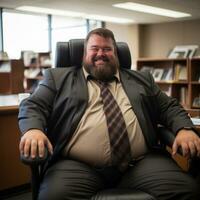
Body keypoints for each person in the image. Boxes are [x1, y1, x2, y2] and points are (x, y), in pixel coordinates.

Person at [19, 28, 200, 200]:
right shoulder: (58, 78)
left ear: (116, 54)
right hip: (76, 165)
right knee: (53, 197)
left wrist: (184, 129)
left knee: (188, 191)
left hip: (140, 162)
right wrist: (33, 129)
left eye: (107, 49)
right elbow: (33, 104)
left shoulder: (142, 79)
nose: (101, 53)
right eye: (94, 48)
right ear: (84, 54)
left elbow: (169, 107)